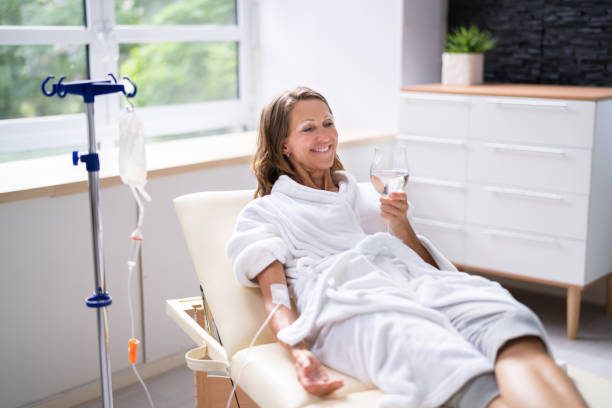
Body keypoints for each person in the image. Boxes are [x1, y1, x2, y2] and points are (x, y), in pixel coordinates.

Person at [227, 86, 587, 408]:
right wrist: (298, 352)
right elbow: (276, 296)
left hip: (416, 285)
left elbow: (426, 268)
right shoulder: (267, 212)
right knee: (440, 357)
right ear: (283, 146)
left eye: (328, 123)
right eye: (308, 128)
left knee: (504, 319)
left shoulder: (364, 196)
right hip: (352, 305)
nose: (324, 135)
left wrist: (400, 225)